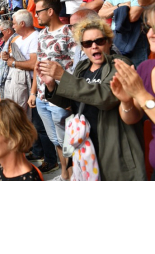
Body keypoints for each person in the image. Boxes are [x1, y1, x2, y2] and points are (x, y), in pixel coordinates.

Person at [39, 16, 146, 181]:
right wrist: (52, 86)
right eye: (87, 43)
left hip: (114, 144)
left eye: (99, 41)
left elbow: (106, 98)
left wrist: (63, 76)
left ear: (109, 42)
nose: (94, 46)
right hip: (87, 146)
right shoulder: (82, 68)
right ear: (82, 48)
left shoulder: (120, 63)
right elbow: (72, 101)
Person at [29, 0, 76, 180]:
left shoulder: (69, 32)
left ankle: (72, 176)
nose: (36, 16)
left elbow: (77, 64)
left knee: (67, 141)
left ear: (50, 11)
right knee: (55, 139)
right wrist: (33, 92)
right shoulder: (42, 34)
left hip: (61, 96)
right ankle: (64, 174)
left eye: (38, 11)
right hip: (42, 97)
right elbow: (37, 65)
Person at [111, 3, 155, 180]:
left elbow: (143, 100)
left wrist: (141, 94)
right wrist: (126, 101)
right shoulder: (146, 68)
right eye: (150, 27)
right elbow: (132, 118)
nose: (150, 34)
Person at [3, 9, 38, 119]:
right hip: (18, 82)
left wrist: (13, 63)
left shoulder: (35, 37)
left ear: (22, 24)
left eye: (14, 23)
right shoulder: (17, 40)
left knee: (32, 121)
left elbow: (34, 64)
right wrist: (7, 57)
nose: (13, 27)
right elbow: (14, 60)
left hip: (32, 84)